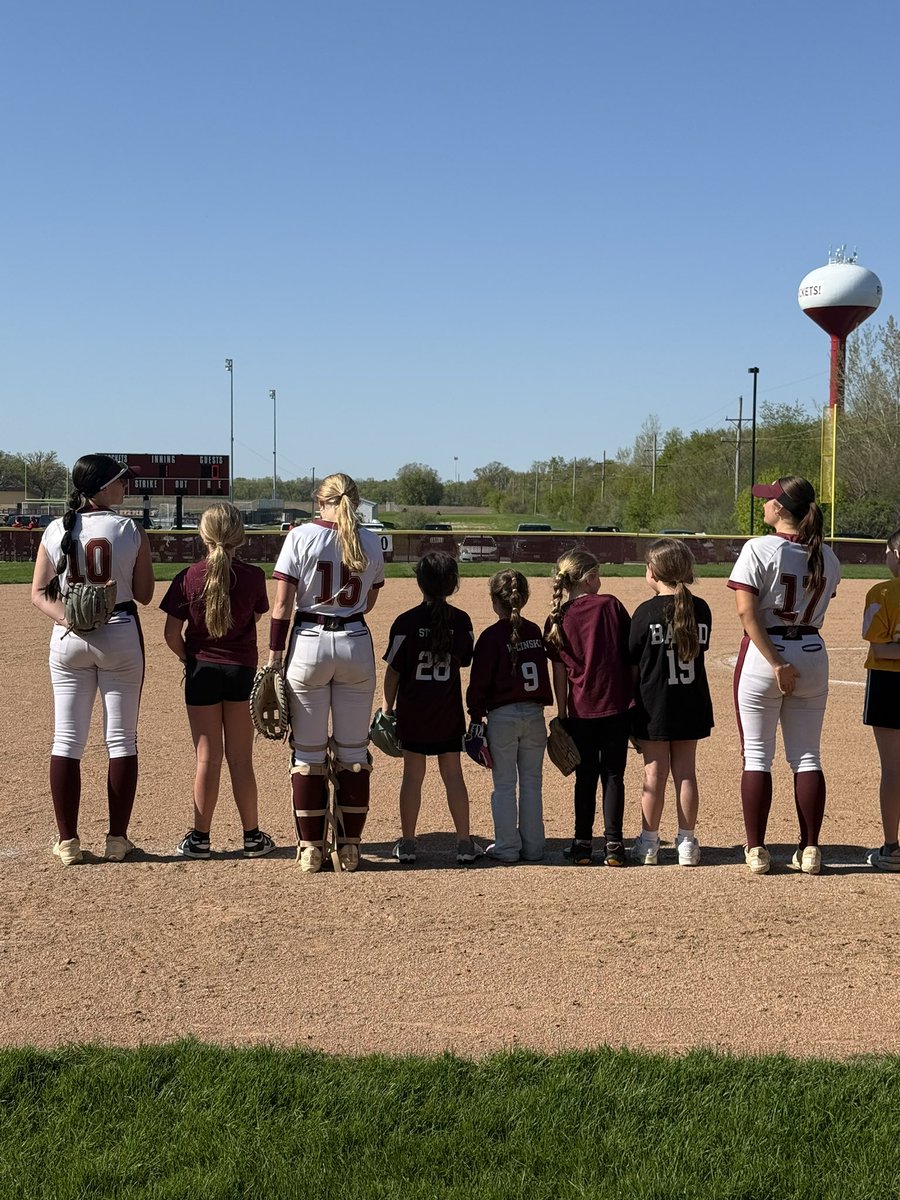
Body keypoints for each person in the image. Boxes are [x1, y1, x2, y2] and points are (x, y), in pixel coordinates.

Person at [30, 454, 155, 865]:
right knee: (120, 740)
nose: (125, 488)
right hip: (118, 632)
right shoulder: (128, 529)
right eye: (120, 481)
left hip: (68, 638)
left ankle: (67, 843)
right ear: (101, 486)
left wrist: (69, 617)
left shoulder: (54, 528)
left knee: (67, 739)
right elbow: (144, 594)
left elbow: (38, 594)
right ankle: (117, 840)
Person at [268, 473, 384, 873]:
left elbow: (281, 606)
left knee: (308, 753)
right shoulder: (369, 540)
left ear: (322, 502)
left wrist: (273, 658)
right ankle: (349, 849)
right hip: (354, 641)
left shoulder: (301, 536)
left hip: (309, 643)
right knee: (353, 753)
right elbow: (368, 601)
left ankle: (310, 849)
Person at [728, 477, 841, 876]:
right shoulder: (828, 555)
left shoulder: (758, 548)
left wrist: (776, 662)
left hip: (766, 654)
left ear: (780, 508)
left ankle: (757, 850)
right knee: (807, 756)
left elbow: (746, 614)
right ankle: (810, 850)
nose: (763, 506)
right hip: (812, 650)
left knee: (758, 756)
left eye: (768, 501)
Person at [160, 502, 274, 859]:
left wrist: (188, 658)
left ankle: (200, 838)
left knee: (207, 758)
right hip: (240, 670)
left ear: (203, 535)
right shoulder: (254, 576)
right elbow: (255, 616)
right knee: (241, 759)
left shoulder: (188, 576)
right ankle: (252, 837)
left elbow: (170, 633)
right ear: (240, 536)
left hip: (202, 671)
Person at [382, 551, 478, 865]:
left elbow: (394, 670)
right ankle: (464, 842)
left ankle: (408, 843)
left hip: (414, 712)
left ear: (419, 582)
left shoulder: (406, 622)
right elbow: (465, 659)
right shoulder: (461, 620)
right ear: (453, 584)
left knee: (412, 777)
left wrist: (387, 709)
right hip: (447, 713)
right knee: (453, 775)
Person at [544, 550, 633, 866]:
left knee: (585, 776)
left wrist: (562, 714)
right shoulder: (610, 605)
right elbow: (629, 654)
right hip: (615, 706)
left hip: (580, 709)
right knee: (613, 776)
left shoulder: (558, 617)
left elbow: (559, 674)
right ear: (589, 578)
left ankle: (582, 844)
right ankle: (614, 847)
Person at [628, 539, 713, 867]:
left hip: (655, 704)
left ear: (653, 573)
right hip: (691, 700)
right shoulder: (700, 608)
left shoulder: (645, 612)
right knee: (686, 772)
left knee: (654, 773)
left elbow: (632, 665)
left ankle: (649, 843)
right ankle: (687, 843)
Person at [466, 570, 553, 863]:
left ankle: (506, 847)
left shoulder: (491, 637)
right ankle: (534, 847)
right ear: (524, 598)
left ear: (495, 601)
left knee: (504, 785)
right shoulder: (533, 632)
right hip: (534, 715)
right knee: (532, 783)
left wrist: (476, 719)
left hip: (502, 717)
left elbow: (478, 685)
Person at [861, 528, 900, 871]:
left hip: (889, 682)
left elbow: (880, 646)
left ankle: (892, 848)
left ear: (895, 553)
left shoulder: (882, 592)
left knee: (892, 769)